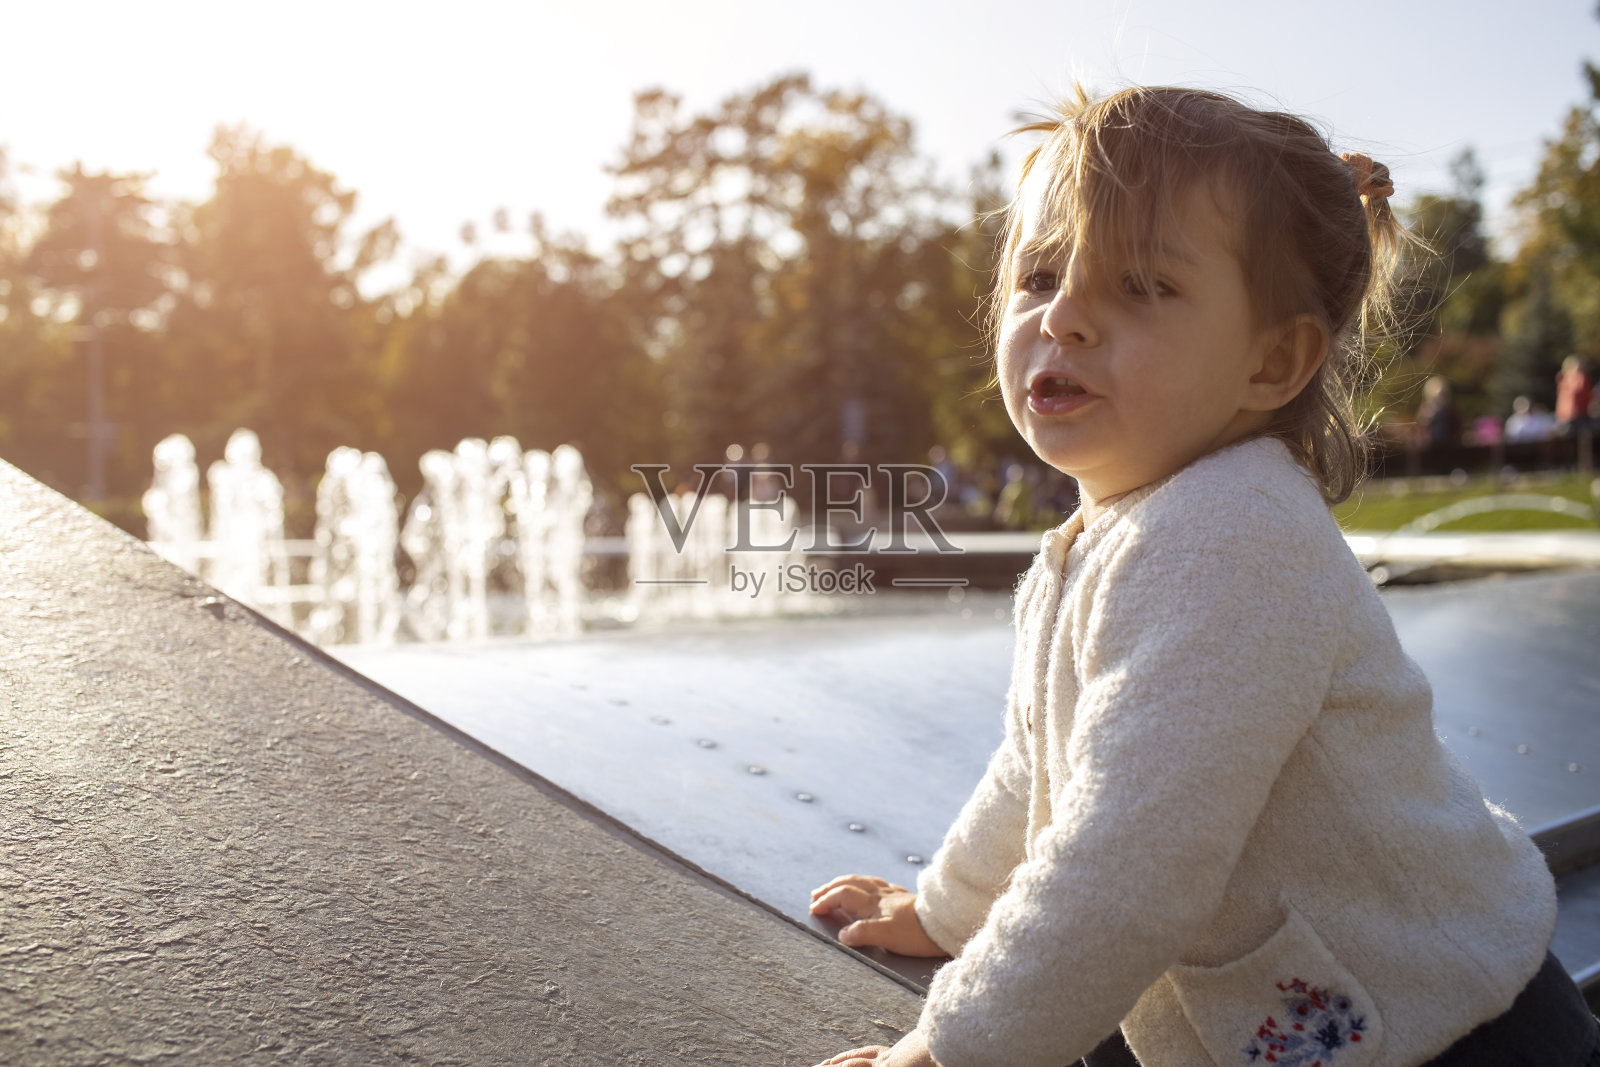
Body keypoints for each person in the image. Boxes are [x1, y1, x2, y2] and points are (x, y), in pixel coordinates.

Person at [807, 85, 1597, 1067]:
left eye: (1140, 286)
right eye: (1043, 272)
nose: (1067, 317)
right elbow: (1040, 770)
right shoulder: (1112, 529)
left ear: (1272, 362)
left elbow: (1127, 864)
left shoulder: (1232, 537)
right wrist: (945, 909)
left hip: (1455, 1031)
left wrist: (949, 1050)